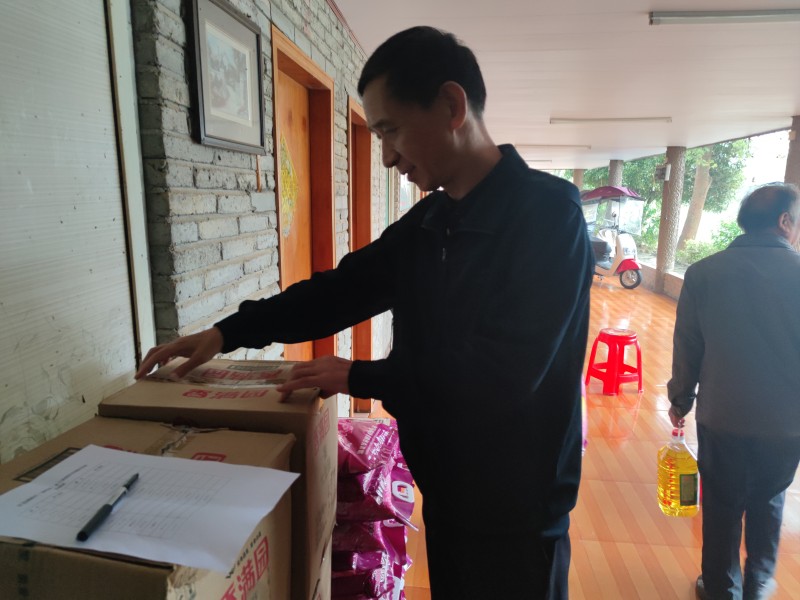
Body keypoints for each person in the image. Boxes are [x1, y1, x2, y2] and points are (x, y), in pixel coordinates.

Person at [137, 26, 593, 599]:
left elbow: (504, 372)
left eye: (391, 130)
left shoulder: (547, 216)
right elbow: (339, 291)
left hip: (518, 513)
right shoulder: (430, 224)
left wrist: (360, 376)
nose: (387, 157)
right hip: (447, 491)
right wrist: (227, 331)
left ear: (452, 106)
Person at [667, 183, 800, 600]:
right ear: (784, 221)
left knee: (722, 503)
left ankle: (721, 589)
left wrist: (680, 399)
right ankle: (758, 584)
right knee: (770, 498)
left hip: (721, 416)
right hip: (787, 424)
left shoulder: (704, 273)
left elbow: (688, 345)